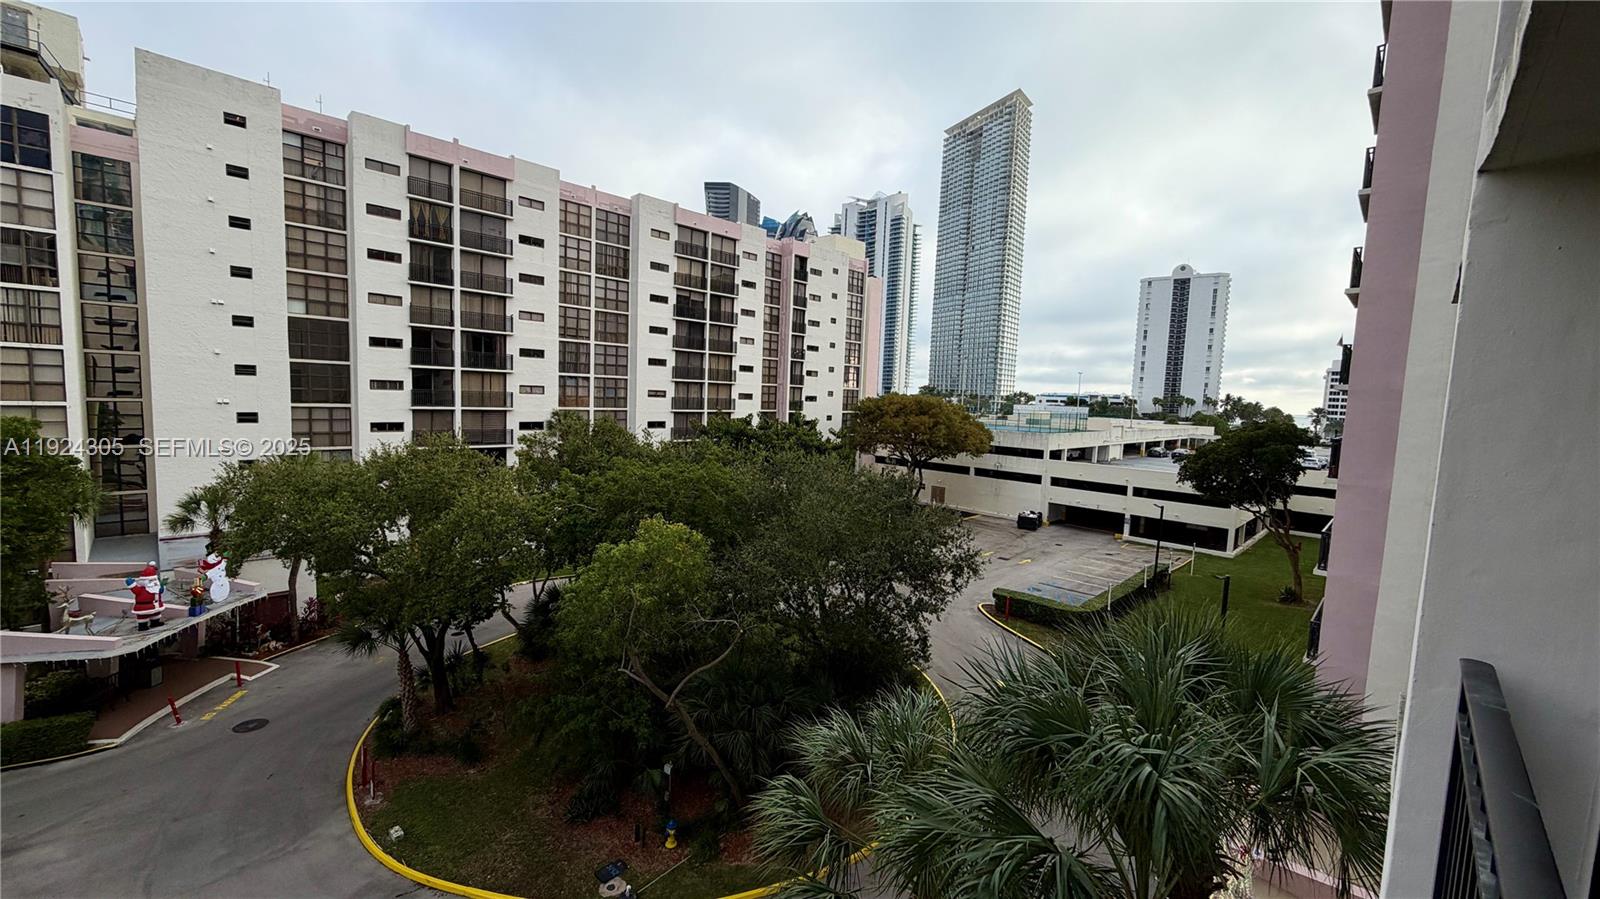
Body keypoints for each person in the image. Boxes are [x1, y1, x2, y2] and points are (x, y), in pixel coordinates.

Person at [126, 562, 165, 631]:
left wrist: (162, 584)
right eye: (151, 580)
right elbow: (135, 590)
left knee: (156, 615)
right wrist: (131, 584)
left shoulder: (156, 587)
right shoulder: (141, 589)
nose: (154, 582)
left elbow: (161, 590)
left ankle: (155, 622)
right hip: (143, 607)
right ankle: (142, 626)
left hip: (156, 605)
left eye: (155, 580)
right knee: (142, 617)